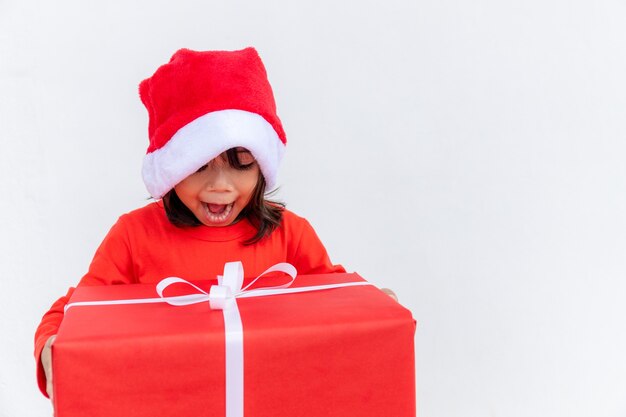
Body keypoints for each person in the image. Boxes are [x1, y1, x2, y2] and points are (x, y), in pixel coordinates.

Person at [34, 47, 397, 401]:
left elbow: (335, 305)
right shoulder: (133, 235)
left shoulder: (290, 234)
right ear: (172, 168)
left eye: (241, 163)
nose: (220, 185)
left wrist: (374, 308)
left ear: (262, 166)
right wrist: (51, 346)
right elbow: (77, 310)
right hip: (166, 401)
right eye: (198, 165)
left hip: (270, 399)